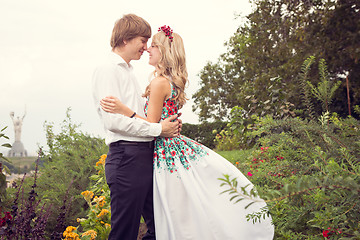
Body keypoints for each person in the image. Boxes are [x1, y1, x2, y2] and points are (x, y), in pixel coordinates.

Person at [100, 25, 275, 239]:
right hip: (173, 147)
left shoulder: (158, 83)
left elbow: (152, 125)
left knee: (167, 215)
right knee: (175, 214)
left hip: (162, 151)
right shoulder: (172, 82)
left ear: (164, 52)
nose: (148, 49)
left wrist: (125, 110)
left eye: (153, 45)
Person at [92, 15, 181, 240]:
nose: (146, 47)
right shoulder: (108, 69)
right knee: (125, 233)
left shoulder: (129, 71)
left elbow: (136, 116)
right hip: (126, 158)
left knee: (162, 228)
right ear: (126, 39)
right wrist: (158, 130)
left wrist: (157, 127)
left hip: (143, 157)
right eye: (143, 40)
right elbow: (112, 121)